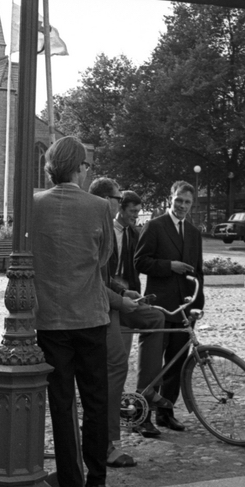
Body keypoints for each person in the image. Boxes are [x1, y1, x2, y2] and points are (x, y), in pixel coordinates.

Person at [33, 136, 113, 487]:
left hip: (51, 318)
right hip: (90, 315)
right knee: (95, 400)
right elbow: (104, 257)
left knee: (61, 404)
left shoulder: (34, 204)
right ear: (80, 167)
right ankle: (97, 480)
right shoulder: (99, 206)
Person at [89, 179, 166, 464]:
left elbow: (106, 277)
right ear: (106, 201)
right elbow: (93, 281)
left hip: (115, 297)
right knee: (116, 363)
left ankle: (146, 392)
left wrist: (125, 292)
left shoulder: (124, 230)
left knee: (156, 317)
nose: (121, 205)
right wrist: (120, 299)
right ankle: (107, 443)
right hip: (99, 306)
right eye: (118, 199)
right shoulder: (96, 228)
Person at [134, 181, 205, 431]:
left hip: (184, 309)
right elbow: (140, 261)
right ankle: (141, 416)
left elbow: (198, 272)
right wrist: (169, 266)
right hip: (160, 306)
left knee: (177, 363)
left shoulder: (194, 233)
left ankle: (166, 412)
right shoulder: (155, 226)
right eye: (179, 201)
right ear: (170, 199)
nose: (182, 206)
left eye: (187, 202)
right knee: (151, 363)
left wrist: (197, 304)